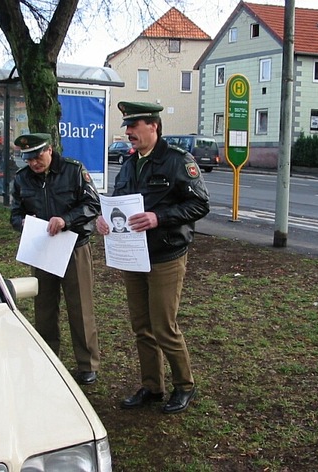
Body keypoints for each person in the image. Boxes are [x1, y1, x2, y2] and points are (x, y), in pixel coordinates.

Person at [96, 101, 210, 414]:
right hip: (132, 255)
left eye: (134, 127)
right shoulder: (130, 164)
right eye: (127, 127)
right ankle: (152, 385)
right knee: (141, 325)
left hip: (165, 254)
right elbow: (119, 202)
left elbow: (200, 204)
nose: (129, 133)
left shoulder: (177, 161)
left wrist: (159, 217)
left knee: (163, 325)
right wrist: (104, 220)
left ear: (153, 127)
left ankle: (184, 385)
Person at [10, 132, 101, 385]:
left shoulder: (73, 170)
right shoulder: (22, 179)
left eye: (37, 157)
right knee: (44, 308)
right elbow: (15, 213)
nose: (34, 164)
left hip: (74, 246)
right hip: (42, 249)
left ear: (50, 150)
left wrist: (66, 220)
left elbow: (92, 204)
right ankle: (49, 358)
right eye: (28, 159)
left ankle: (87, 364)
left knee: (80, 307)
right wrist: (29, 225)